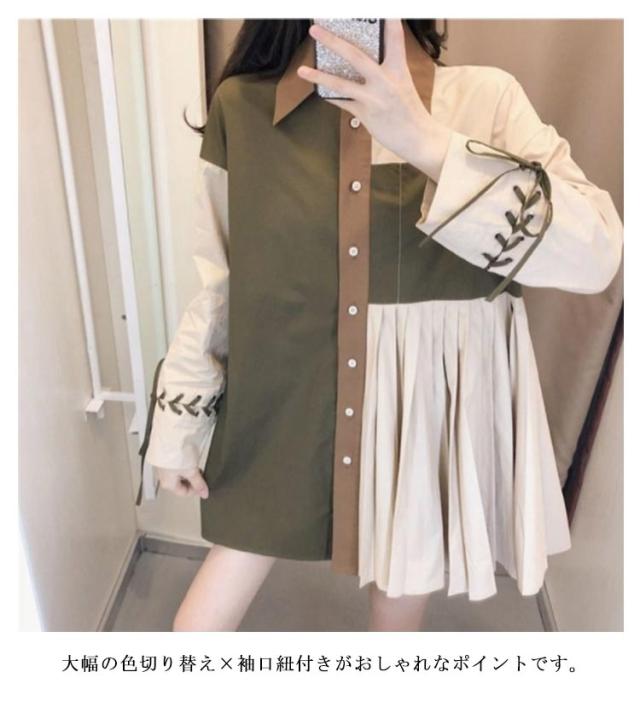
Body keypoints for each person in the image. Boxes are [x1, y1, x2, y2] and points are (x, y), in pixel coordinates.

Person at [139, 19, 623, 632]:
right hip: (285, 404)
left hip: (421, 423)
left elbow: (597, 256)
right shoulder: (244, 108)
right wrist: (178, 421)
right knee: (200, 628)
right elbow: (221, 283)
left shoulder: (485, 99)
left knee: (394, 633)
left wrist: (427, 142)